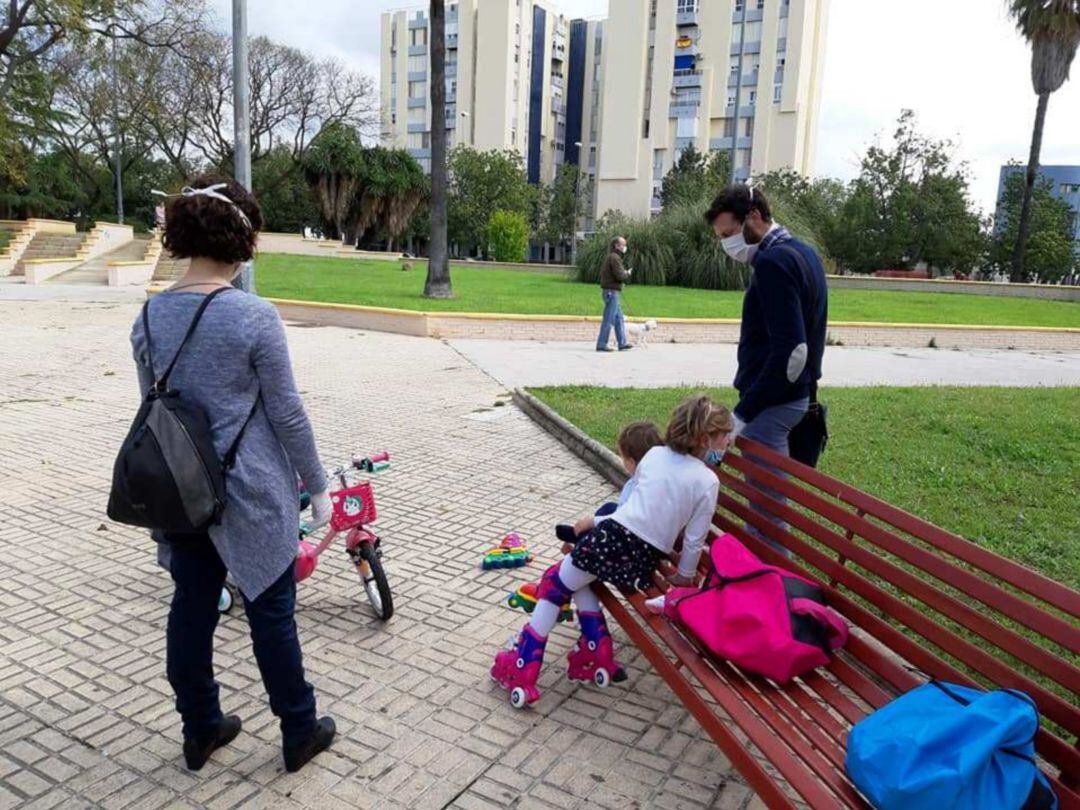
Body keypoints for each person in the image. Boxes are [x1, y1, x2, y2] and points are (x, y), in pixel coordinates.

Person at [131, 175, 336, 773]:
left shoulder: (148, 316)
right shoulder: (255, 317)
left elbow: (151, 409)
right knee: (272, 616)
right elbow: (287, 413)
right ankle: (299, 730)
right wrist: (318, 485)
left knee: (191, 609)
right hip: (252, 494)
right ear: (243, 240)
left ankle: (201, 727)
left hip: (183, 492)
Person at [492, 395, 731, 707]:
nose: (729, 441)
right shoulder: (708, 480)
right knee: (581, 580)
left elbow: (630, 509)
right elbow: (694, 539)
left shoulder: (655, 455)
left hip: (610, 540)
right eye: (726, 435)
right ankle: (595, 652)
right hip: (640, 561)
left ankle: (522, 667)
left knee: (553, 582)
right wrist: (685, 576)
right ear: (705, 439)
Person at [704, 184, 828, 547]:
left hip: (773, 407)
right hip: (793, 398)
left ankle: (770, 585)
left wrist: (743, 415)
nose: (727, 244)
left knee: (766, 512)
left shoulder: (774, 263)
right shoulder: (803, 252)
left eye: (729, 233)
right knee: (767, 506)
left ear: (754, 217)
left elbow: (792, 353)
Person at [556, 420, 663, 552]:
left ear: (631, 461)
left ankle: (579, 546)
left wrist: (593, 521)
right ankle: (579, 537)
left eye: (623, 458)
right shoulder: (642, 480)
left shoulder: (641, 487)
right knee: (609, 508)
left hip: (631, 539)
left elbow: (624, 520)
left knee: (601, 524)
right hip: (628, 527)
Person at [597, 236, 633, 352]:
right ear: (616, 246)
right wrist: (627, 273)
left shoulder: (613, 257)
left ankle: (622, 343)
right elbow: (620, 275)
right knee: (608, 319)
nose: (624, 247)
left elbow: (612, 276)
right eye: (623, 245)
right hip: (611, 293)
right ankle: (602, 344)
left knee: (619, 318)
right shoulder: (614, 258)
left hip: (612, 291)